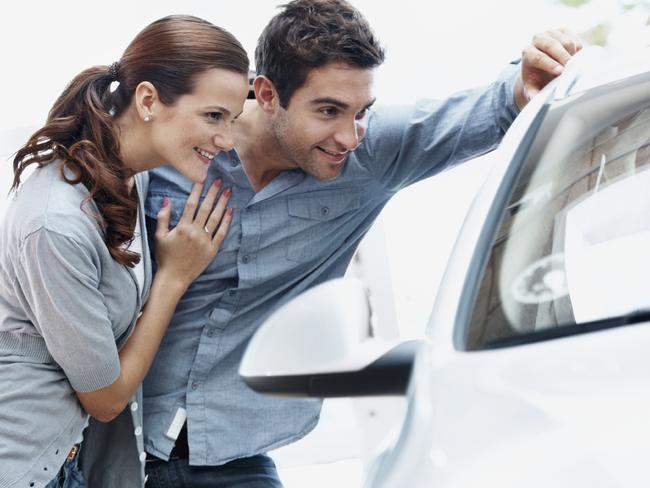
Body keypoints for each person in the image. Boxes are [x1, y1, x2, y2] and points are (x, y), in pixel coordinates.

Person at [138, 2, 581, 487]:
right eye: (328, 110)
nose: (348, 136)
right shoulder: (179, 146)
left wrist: (530, 77)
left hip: (230, 461)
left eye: (361, 112)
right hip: (111, 446)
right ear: (265, 93)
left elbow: (490, 110)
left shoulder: (367, 156)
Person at [0, 15, 249, 488]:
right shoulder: (57, 223)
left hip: (66, 459)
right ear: (149, 100)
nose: (227, 139)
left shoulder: (130, 173)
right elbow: (106, 398)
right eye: (214, 116)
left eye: (233, 119)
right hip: (21, 466)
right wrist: (174, 278)